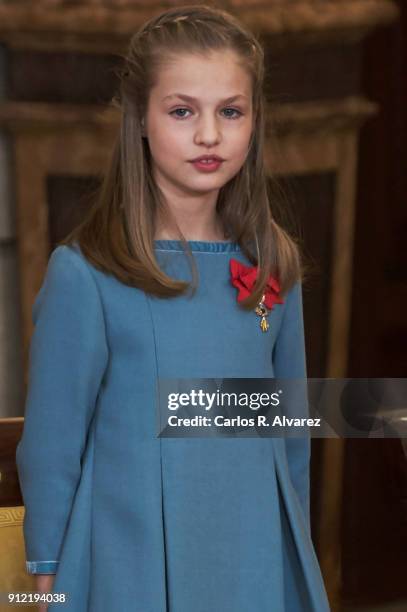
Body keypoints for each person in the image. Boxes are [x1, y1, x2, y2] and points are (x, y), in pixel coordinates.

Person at [16, 5, 331, 611]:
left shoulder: (273, 264)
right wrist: (47, 572)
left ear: (254, 122)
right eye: (183, 111)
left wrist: (295, 551)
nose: (209, 135)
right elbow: (53, 440)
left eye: (230, 112)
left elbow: (288, 431)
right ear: (140, 116)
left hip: (253, 549)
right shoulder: (86, 273)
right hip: (125, 554)